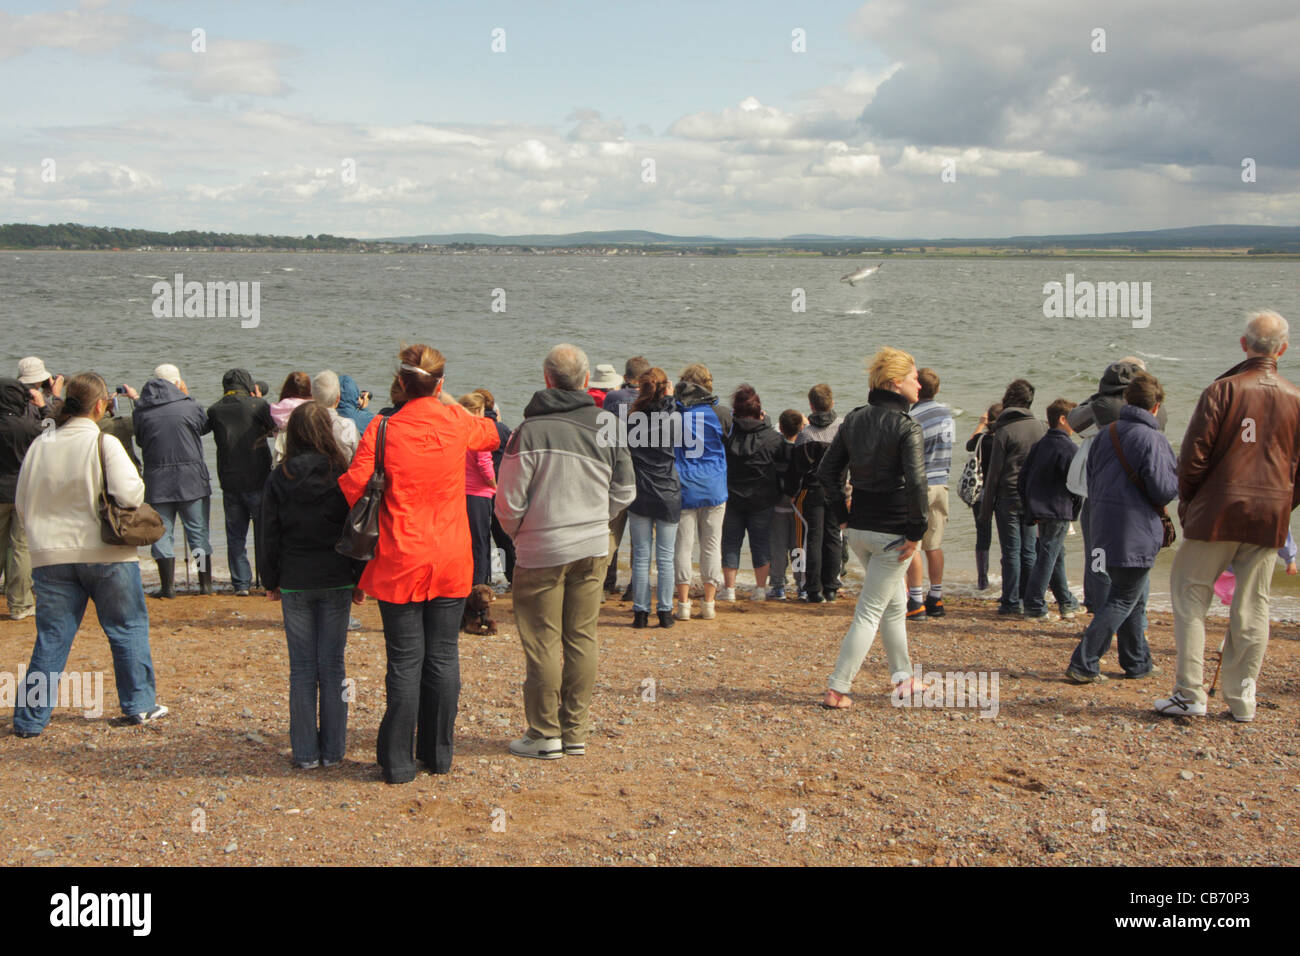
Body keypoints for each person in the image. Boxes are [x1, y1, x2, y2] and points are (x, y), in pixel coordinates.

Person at [339, 345, 499, 783]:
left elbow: (354, 487)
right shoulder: (455, 421)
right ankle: (439, 754)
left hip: (401, 557)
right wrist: (444, 399)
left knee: (405, 662)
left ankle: (398, 762)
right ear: (440, 383)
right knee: (444, 657)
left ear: (402, 383)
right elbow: (492, 434)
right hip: (450, 556)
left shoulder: (383, 428)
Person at [495, 344, 635, 759]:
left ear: (546, 379)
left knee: (542, 641)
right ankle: (574, 730)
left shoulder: (528, 431)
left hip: (541, 547)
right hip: (593, 546)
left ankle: (544, 734)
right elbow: (625, 490)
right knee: (581, 637)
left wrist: (520, 534)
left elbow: (508, 505)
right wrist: (596, 519)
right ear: (587, 381)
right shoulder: (607, 425)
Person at [1159, 310, 1300, 721]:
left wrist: (1188, 503)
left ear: (1243, 345)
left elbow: (1192, 458)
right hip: (1269, 513)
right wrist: (1282, 505)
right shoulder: (1295, 398)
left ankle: (1190, 692)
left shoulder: (1222, 390)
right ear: (1284, 349)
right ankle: (1242, 699)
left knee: (1190, 595)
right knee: (1254, 605)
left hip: (1218, 509)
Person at [11, 373, 168, 736]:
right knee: (126, 628)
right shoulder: (104, 442)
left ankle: (29, 721)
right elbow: (130, 495)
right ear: (100, 406)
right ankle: (139, 705)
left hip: (50, 556)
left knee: (52, 637)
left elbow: (22, 502)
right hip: (106, 554)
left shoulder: (40, 444)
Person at [819, 347, 927, 709]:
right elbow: (916, 483)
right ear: (896, 384)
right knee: (869, 611)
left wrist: (842, 516)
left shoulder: (854, 419)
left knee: (894, 606)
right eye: (914, 378)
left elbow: (827, 473)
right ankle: (838, 688)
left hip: (860, 531)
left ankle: (905, 679)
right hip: (892, 535)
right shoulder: (906, 426)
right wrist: (916, 531)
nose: (920, 385)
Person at [262, 403, 365, 769]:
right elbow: (355, 530)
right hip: (336, 575)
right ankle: (334, 751)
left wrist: (270, 580)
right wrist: (359, 578)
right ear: (327, 430)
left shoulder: (279, 476)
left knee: (303, 668)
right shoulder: (343, 472)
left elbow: (268, 533)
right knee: (333, 665)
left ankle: (306, 754)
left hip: (295, 578)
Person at [1066, 373, 1176, 683]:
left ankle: (1137, 662)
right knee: (1124, 597)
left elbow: (1092, 478)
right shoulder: (1153, 438)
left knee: (1131, 594)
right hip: (1135, 530)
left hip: (1102, 526)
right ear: (1156, 407)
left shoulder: (1104, 434)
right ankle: (1084, 662)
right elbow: (1163, 490)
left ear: (1128, 401)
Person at [1067, 357, 1166, 612]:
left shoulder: (1100, 406)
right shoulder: (1156, 411)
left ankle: (1101, 614)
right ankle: (1137, 620)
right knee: (1138, 563)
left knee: (1098, 560)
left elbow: (1075, 422)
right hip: (1140, 499)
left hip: (1101, 497)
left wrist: (1097, 394)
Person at [133, 363, 212, 598]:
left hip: (158, 481)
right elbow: (203, 427)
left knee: (162, 533)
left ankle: (167, 587)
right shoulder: (191, 405)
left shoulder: (141, 411)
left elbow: (139, 441)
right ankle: (204, 585)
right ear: (178, 383)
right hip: (192, 481)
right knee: (197, 533)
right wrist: (186, 396)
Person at [978, 380, 1046, 615]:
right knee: (1029, 550)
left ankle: (1010, 602)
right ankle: (1030, 599)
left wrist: (985, 510)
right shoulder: (1041, 427)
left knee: (1011, 552)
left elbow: (994, 474)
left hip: (1008, 496)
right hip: (1033, 498)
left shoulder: (1004, 431)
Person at [206, 369, 274, 596]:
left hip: (229, 480)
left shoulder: (215, 410)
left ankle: (241, 583)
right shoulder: (257, 406)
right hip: (258, 478)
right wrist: (260, 401)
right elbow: (275, 427)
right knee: (264, 533)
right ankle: (267, 580)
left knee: (235, 535)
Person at [672, 363, 730, 621]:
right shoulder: (721, 413)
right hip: (713, 484)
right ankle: (708, 603)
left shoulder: (673, 412)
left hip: (683, 483)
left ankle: (683, 604)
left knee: (682, 547)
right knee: (711, 544)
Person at [624, 368, 682, 628]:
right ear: (664, 388)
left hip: (641, 490)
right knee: (666, 556)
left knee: (642, 556)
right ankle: (666, 612)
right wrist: (669, 397)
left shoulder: (633, 417)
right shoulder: (672, 417)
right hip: (667, 490)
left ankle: (640, 612)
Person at [1019, 399, 1083, 620]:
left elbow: (1023, 478)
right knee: (1048, 556)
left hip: (1040, 510)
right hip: (1058, 509)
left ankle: (1067, 602)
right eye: (1073, 419)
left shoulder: (1040, 445)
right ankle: (1035, 605)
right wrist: (1074, 510)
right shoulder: (1069, 448)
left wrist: (1030, 506)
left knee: (1055, 555)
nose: (1077, 425)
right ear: (1062, 419)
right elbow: (1077, 485)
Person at [720, 385, 783, 602]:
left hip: (732, 497)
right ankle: (759, 590)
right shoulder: (773, 438)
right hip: (762, 498)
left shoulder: (727, 437)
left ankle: (728, 589)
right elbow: (782, 467)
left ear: (735, 411)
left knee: (730, 542)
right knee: (760, 543)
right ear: (760, 411)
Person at [786, 384, 844, 604]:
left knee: (814, 537)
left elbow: (797, 470)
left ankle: (813, 589)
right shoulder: (841, 428)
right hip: (836, 488)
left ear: (811, 405)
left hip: (814, 490)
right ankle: (831, 587)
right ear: (832, 402)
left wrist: (792, 492)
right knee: (832, 536)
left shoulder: (805, 434)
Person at [905, 368, 954, 619]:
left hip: (921, 483)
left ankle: (914, 599)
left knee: (911, 543)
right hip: (941, 481)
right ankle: (936, 596)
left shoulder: (914, 415)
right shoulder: (947, 413)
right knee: (933, 544)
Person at [601, 357, 651, 596]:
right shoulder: (653, 400)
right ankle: (635, 585)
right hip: (644, 472)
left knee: (611, 530)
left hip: (617, 472)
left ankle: (603, 584)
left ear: (625, 376)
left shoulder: (612, 398)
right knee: (640, 535)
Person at [0, 377, 42, 620]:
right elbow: (52, 430)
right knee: (20, 548)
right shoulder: (28, 427)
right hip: (23, 490)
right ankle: (20, 604)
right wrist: (43, 406)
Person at [474, 387, 515, 586]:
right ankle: (513, 578)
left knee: (480, 539)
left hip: (475, 492)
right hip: (499, 489)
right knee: (503, 537)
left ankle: (483, 579)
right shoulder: (502, 429)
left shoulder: (472, 427)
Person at [459, 391, 497, 587]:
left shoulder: (457, 428)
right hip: (478, 493)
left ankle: (465, 582)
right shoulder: (479, 430)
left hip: (459, 492)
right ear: (476, 411)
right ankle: (479, 584)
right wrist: (494, 484)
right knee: (481, 542)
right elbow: (484, 464)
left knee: (464, 542)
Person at [769, 409, 805, 600]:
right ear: (801, 427)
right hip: (798, 506)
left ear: (781, 428)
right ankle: (801, 584)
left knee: (778, 547)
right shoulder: (802, 450)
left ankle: (778, 585)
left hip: (778, 505)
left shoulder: (776, 449)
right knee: (798, 547)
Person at [964, 402, 1001, 590]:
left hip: (980, 492)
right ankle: (1010, 575)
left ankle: (982, 579)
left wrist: (980, 424)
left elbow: (969, 445)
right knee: (1007, 536)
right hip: (1000, 492)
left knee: (983, 534)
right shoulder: (1003, 440)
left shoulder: (981, 440)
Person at [313, 370, 359, 463]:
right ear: (338, 399)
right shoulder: (348, 426)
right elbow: (358, 459)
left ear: (312, 397)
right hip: (342, 475)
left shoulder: (303, 423)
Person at [269, 372, 313, 468]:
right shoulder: (314, 408)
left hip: (284, 458)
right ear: (308, 388)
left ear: (287, 387)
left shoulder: (278, 409)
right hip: (309, 458)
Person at [98, 384, 142, 474]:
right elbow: (148, 420)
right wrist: (136, 398)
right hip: (125, 475)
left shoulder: (73, 424)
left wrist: (107, 409)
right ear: (100, 404)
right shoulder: (121, 425)